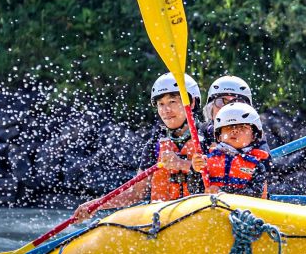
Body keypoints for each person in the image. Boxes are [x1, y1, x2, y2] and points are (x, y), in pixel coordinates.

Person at [73, 72, 208, 220]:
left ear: (192, 103)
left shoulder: (209, 137)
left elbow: (221, 181)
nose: (166, 110)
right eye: (161, 104)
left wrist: (181, 164)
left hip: (200, 217)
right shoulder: (154, 145)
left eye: (172, 102)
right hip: (165, 222)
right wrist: (96, 205)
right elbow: (136, 193)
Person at [203, 101, 271, 198]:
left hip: (244, 211)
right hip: (211, 210)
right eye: (228, 127)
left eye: (243, 127)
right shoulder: (208, 161)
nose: (234, 130)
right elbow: (193, 188)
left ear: (254, 136)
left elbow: (255, 193)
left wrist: (223, 192)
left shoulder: (257, 166)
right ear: (219, 136)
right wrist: (194, 170)